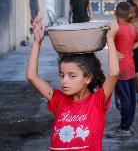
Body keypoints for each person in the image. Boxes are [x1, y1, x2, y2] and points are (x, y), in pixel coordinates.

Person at [26, 16, 119, 150]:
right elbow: (32, 76)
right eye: (62, 75)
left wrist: (110, 39)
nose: (64, 81)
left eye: (72, 76)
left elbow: (114, 74)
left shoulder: (97, 101)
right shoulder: (58, 100)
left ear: (88, 78)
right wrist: (37, 42)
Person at [106, 2, 138, 138]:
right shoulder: (131, 27)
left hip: (120, 70)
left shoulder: (115, 29)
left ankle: (124, 128)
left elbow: (107, 41)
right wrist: (130, 49)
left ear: (115, 12)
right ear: (129, 14)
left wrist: (115, 51)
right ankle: (128, 124)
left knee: (123, 100)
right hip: (130, 69)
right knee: (131, 99)